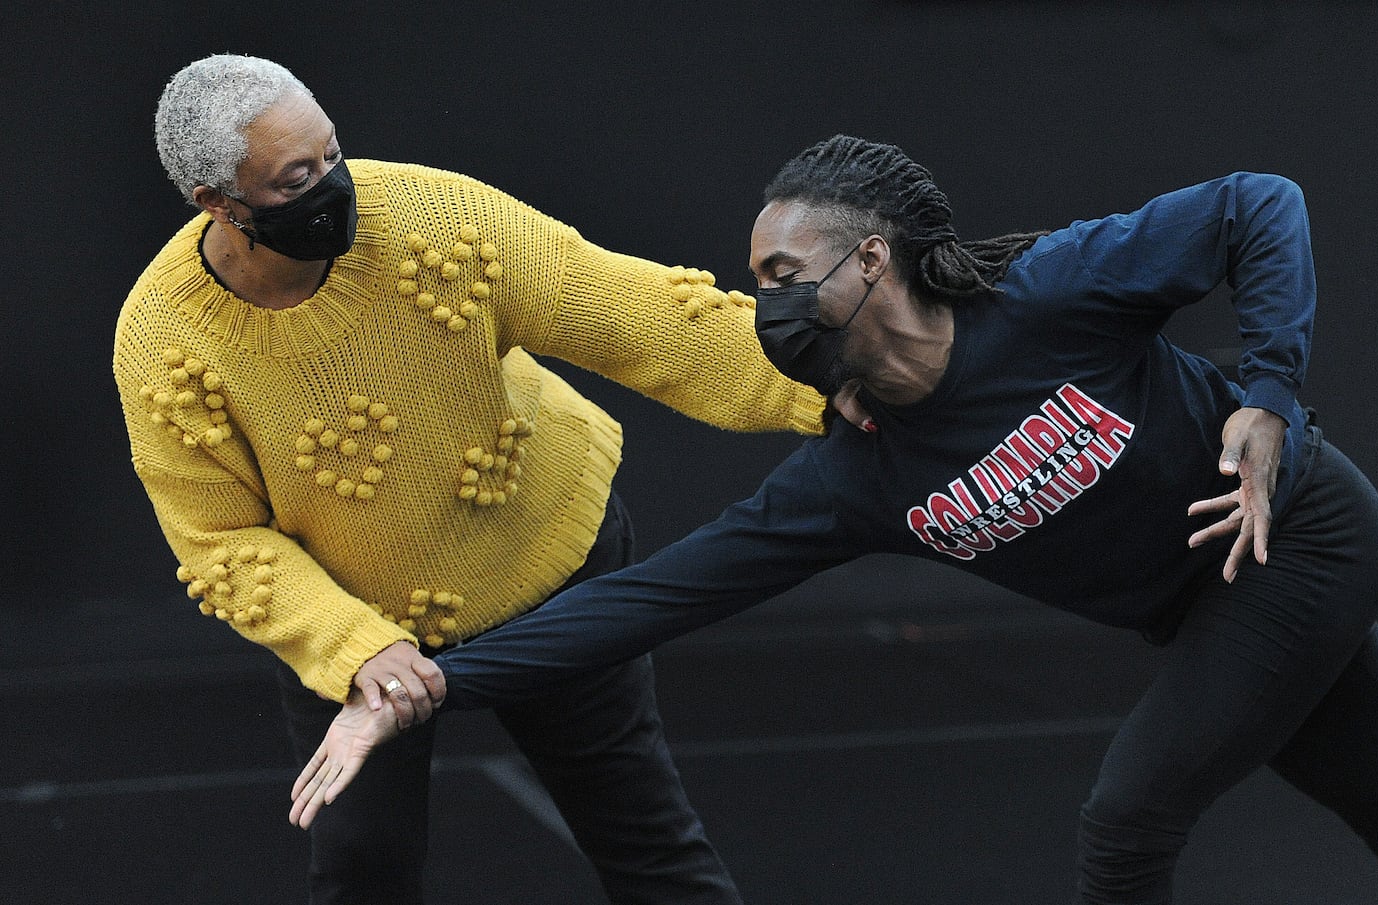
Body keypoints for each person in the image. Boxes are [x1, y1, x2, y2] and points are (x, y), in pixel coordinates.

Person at [290, 135, 1378, 905]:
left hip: (1301, 535)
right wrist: (413, 691)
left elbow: (1261, 205)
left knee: (1125, 819)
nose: (767, 308)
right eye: (755, 288)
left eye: (785, 277)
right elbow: (647, 598)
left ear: (871, 261)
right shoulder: (858, 474)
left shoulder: (1049, 295)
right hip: (1201, 608)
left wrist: (1268, 394)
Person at [113, 54, 838, 905]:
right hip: (358, 624)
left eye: (334, 153)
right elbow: (219, 539)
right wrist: (355, 647)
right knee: (361, 870)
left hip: (551, 560)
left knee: (645, 840)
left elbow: (633, 315)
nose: (333, 184)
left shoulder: (433, 218)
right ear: (219, 205)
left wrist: (838, 379)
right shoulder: (164, 340)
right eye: (296, 177)